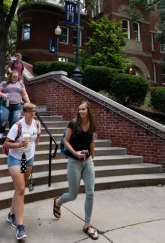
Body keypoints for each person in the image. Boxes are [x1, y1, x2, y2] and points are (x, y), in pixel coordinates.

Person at [53, 101, 99, 240]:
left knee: (90, 192)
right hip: (74, 161)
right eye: (79, 109)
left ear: (88, 110)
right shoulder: (73, 124)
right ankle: (58, 202)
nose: (81, 111)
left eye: (83, 109)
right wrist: (75, 153)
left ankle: (87, 224)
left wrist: (92, 155)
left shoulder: (91, 124)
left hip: (87, 161)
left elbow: (91, 140)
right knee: (73, 195)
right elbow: (66, 141)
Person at [3, 102, 41, 240]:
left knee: (20, 188)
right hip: (15, 159)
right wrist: (19, 144)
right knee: (21, 189)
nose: (33, 114)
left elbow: (38, 136)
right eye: (31, 111)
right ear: (25, 112)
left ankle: (11, 215)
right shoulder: (17, 126)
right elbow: (6, 143)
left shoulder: (36, 124)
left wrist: (33, 145)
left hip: (28, 159)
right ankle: (20, 227)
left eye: (34, 111)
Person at [0, 70, 30, 139]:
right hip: (4, 105)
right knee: (3, 119)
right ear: (10, 76)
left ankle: (11, 136)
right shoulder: (4, 83)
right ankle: (1, 132)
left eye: (16, 77)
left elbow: (24, 94)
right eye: (13, 77)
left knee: (14, 122)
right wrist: (4, 95)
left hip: (16, 106)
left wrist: (29, 103)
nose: (15, 79)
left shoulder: (20, 84)